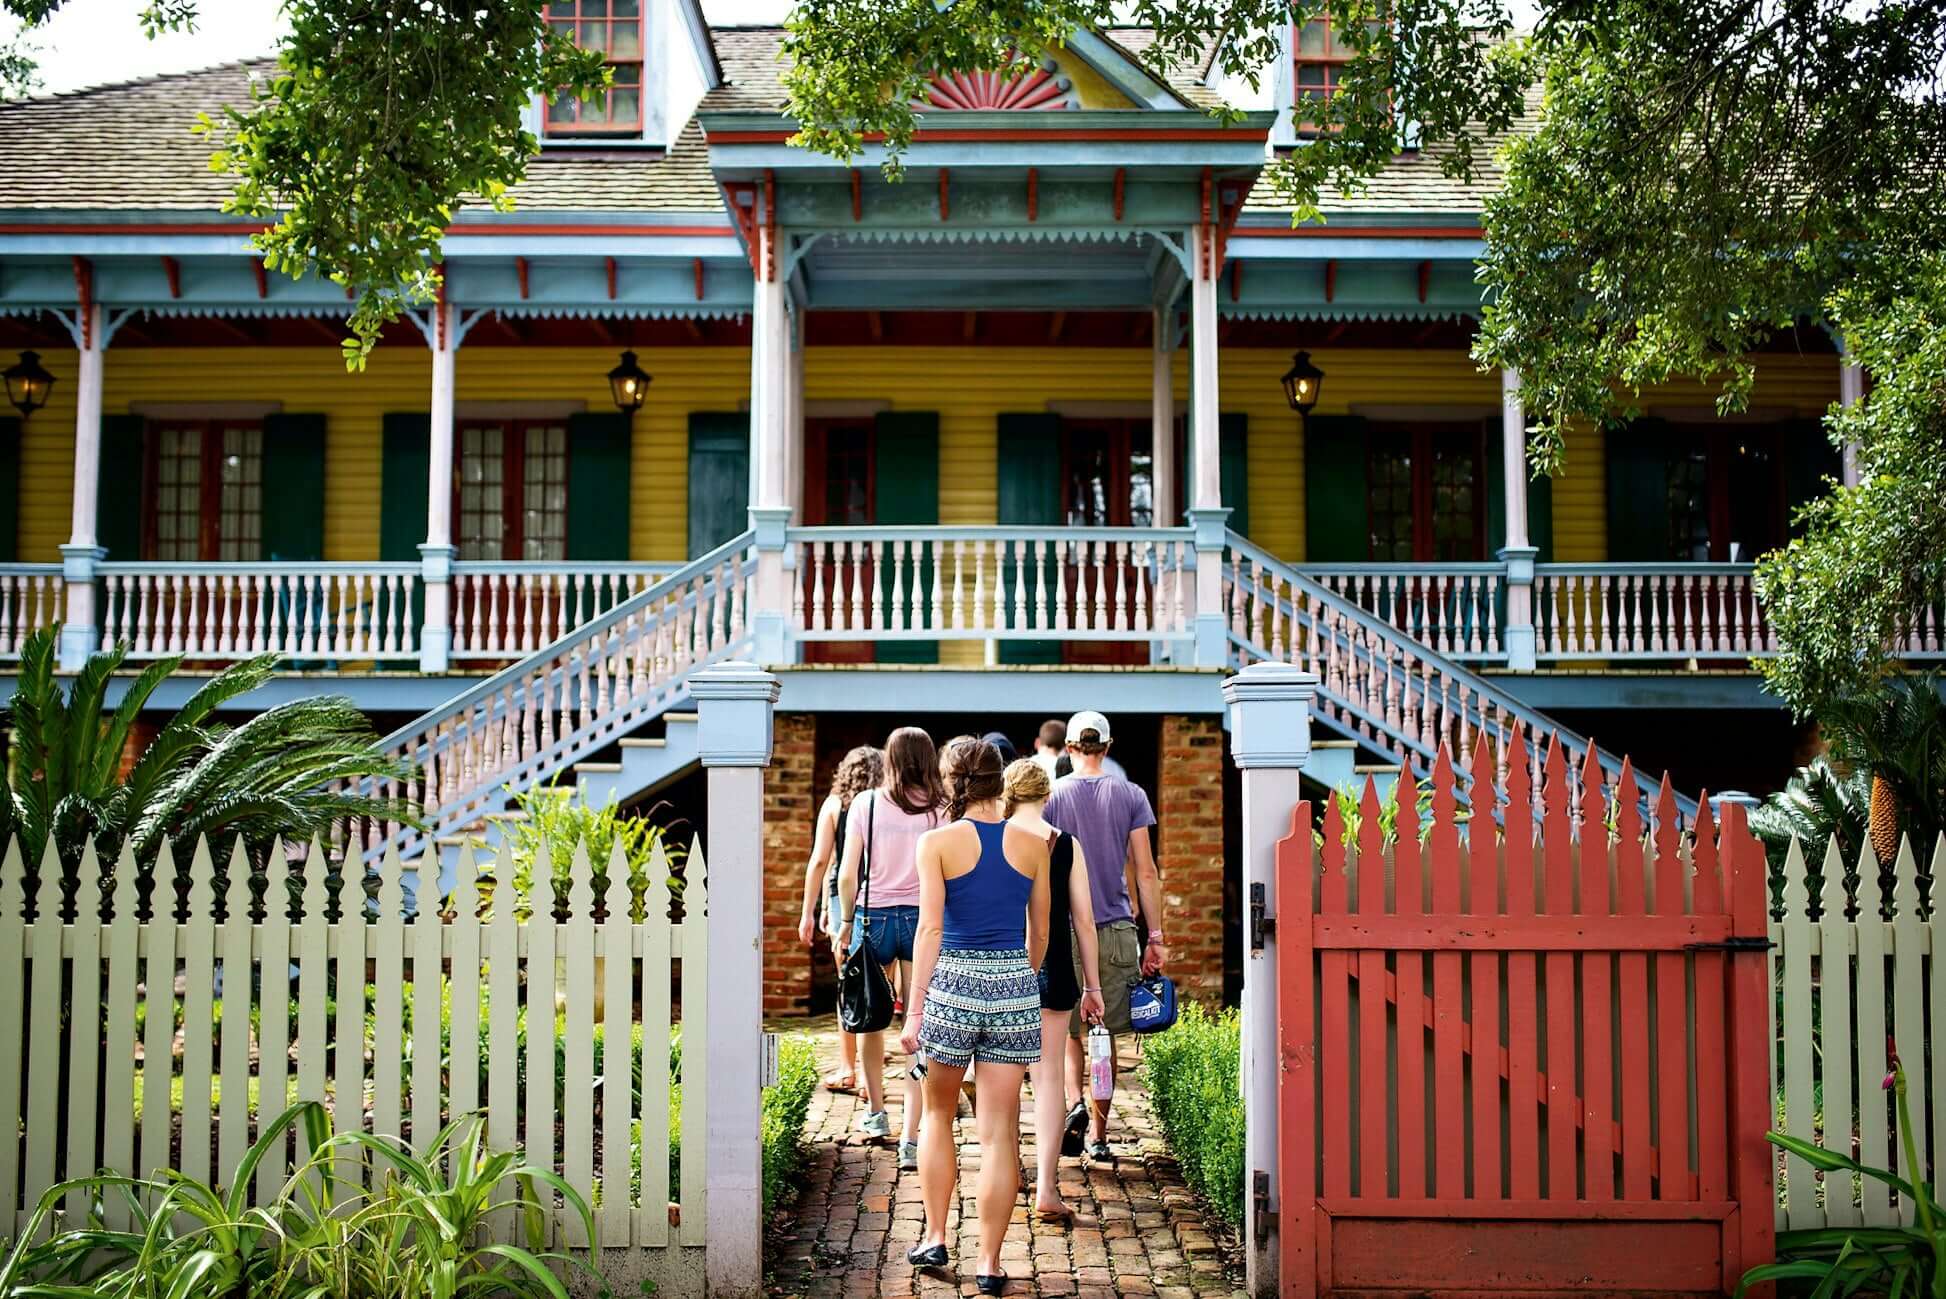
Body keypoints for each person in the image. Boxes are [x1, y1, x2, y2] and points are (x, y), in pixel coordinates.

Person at [901, 738, 1050, 1295]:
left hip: (954, 985)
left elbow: (930, 931)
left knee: (938, 1116)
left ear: (950, 781)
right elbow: (1041, 934)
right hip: (1013, 985)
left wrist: (915, 1013)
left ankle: (936, 1235)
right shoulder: (1035, 844)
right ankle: (989, 1263)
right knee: (997, 1134)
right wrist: (1018, 976)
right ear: (999, 781)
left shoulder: (936, 842)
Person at [1044, 709, 1164, 1163]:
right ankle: (1097, 1132)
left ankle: (1073, 1103)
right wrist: (1154, 935)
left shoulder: (1052, 798)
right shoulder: (1130, 794)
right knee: (1103, 1035)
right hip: (1114, 928)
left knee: (1066, 1029)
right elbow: (1146, 872)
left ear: (1070, 748)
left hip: (1065, 928)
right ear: (1108, 748)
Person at [833, 727, 943, 1169]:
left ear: (891, 759)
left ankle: (876, 1112)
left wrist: (844, 922)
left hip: (872, 917)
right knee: (918, 1023)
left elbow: (846, 874)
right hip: (921, 919)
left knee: (869, 1018)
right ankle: (912, 1136)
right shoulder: (940, 810)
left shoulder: (868, 803)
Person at [1003, 758, 1105, 1222]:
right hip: (1056, 970)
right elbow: (1084, 921)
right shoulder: (1066, 845)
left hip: (1004, 972)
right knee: (1048, 1081)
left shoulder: (991, 838)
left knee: (1001, 1078)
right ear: (1047, 796)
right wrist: (1095, 985)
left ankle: (1007, 1173)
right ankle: (1047, 1187)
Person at [798, 744, 884, 1093]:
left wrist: (810, 911)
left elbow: (821, 861)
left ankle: (848, 1067)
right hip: (879, 897)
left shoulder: (835, 805)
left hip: (842, 900)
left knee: (849, 986)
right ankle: (868, 1077)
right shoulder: (884, 803)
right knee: (879, 990)